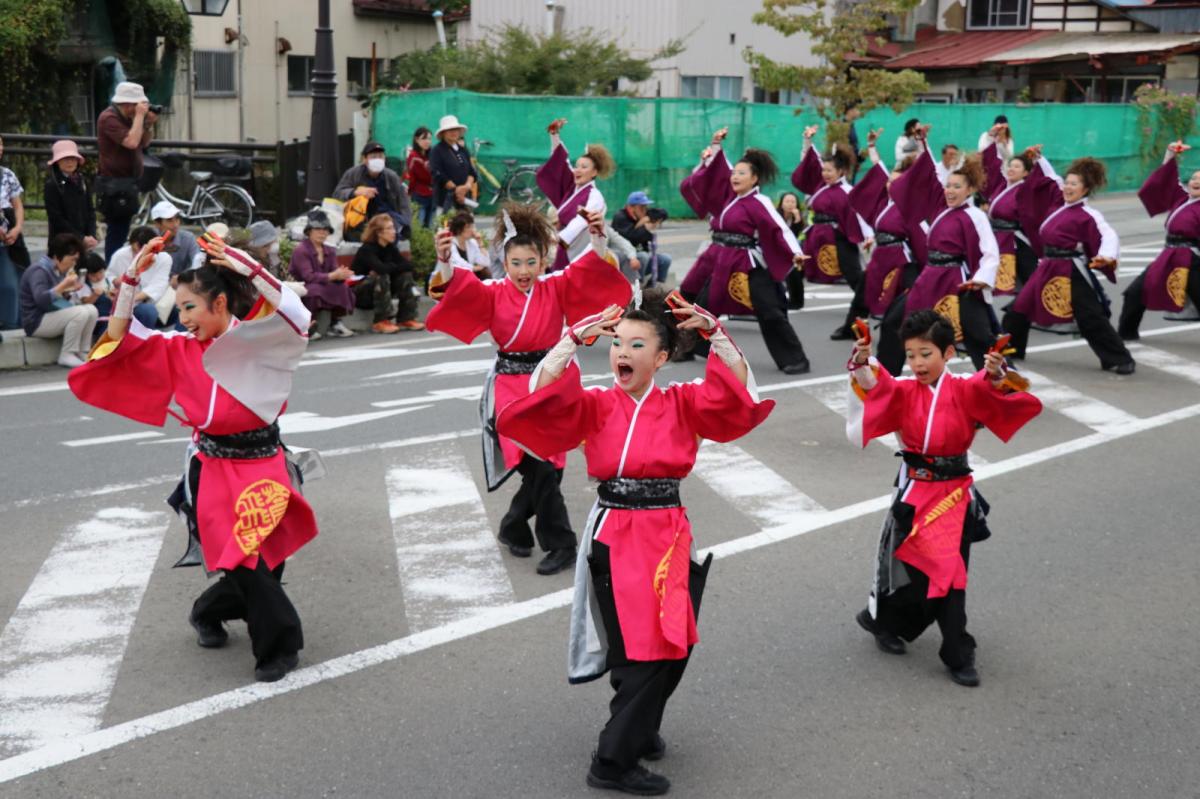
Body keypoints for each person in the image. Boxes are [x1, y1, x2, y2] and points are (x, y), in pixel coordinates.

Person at [496, 290, 773, 796]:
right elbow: (539, 400)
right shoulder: (597, 404)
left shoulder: (683, 401)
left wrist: (715, 334)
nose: (621, 352)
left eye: (637, 343)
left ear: (662, 357)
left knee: (674, 641)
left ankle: (638, 728)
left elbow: (738, 399)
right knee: (644, 647)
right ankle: (612, 758)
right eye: (617, 342)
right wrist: (571, 340)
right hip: (617, 533)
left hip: (668, 531)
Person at [68, 234, 316, 683]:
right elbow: (117, 344)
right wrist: (129, 281)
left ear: (219, 303)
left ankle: (207, 611)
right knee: (247, 562)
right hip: (214, 469)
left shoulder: (260, 339)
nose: (181, 319)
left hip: (264, 462)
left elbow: (297, 316)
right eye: (177, 308)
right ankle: (279, 646)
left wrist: (247, 266)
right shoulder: (177, 348)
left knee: (265, 565)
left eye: (189, 308)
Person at [424, 205, 631, 576]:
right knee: (537, 465)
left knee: (548, 469)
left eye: (531, 262)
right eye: (515, 263)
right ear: (504, 260)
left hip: (555, 380)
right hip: (511, 386)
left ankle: (513, 525)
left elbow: (589, 269)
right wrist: (444, 259)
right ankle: (562, 542)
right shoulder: (491, 292)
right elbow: (456, 284)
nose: (523, 271)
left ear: (543, 260)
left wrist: (598, 236)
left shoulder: (557, 285)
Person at [848, 310, 1041, 687]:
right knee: (935, 576)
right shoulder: (903, 391)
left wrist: (998, 372)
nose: (917, 363)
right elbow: (875, 385)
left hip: (955, 492)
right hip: (918, 490)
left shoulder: (965, 388)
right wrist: (860, 361)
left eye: (926, 354)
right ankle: (951, 647)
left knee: (947, 576)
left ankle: (917, 634)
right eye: (911, 354)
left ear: (948, 353)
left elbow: (992, 388)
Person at [677, 127, 811, 374]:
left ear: (754, 178)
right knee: (702, 304)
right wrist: (715, 145)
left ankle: (795, 359)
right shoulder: (730, 197)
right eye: (734, 173)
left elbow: (779, 229)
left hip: (747, 263)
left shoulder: (759, 202)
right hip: (720, 257)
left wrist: (794, 252)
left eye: (742, 173)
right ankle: (691, 347)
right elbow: (718, 169)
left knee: (769, 311)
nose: (734, 177)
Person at [1002, 157, 1134, 374]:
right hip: (1047, 267)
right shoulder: (1057, 205)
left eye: (1074, 184)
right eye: (1067, 182)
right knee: (1018, 308)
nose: (1067, 187)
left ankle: (1120, 358)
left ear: (1085, 189)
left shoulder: (1089, 215)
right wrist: (1039, 159)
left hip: (1071, 270)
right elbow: (1050, 179)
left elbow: (1108, 236)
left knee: (1090, 317)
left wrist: (1106, 255)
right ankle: (1011, 352)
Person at [889, 155, 1001, 373]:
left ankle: (1004, 383)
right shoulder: (942, 210)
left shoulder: (975, 215)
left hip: (957, 281)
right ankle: (886, 379)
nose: (949, 190)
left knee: (977, 335)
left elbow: (990, 252)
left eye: (957, 187)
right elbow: (932, 175)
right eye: (948, 186)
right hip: (930, 276)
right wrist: (923, 145)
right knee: (899, 322)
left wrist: (981, 278)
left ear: (970, 190)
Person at [850, 129, 941, 330]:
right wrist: (872, 147)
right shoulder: (884, 203)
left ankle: (922, 325)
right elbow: (878, 168)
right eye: (890, 181)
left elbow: (929, 170)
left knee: (910, 289)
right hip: (881, 253)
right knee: (866, 286)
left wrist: (921, 143)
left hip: (900, 256)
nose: (891, 184)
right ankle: (852, 324)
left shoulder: (909, 205)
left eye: (897, 182)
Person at [793, 124, 873, 340]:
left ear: (841, 172)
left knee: (856, 277)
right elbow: (807, 164)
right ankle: (791, 300)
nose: (825, 173)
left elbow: (859, 215)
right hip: (816, 236)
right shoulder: (820, 186)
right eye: (824, 170)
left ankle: (867, 306)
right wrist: (807, 142)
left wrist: (867, 235)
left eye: (829, 170)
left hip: (839, 237)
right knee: (795, 267)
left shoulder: (848, 191)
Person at [1119, 141, 1200, 340]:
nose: (1196, 181)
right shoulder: (1181, 198)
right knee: (1135, 292)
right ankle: (1126, 333)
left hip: (1193, 259)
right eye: (1195, 178)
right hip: (1169, 256)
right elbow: (1165, 182)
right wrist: (1170, 154)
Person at [536, 118, 614, 271]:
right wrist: (554, 134)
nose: (577, 170)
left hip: (579, 251)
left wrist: (559, 238)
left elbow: (582, 220)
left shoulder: (595, 196)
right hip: (564, 248)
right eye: (577, 166)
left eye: (584, 167)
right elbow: (559, 161)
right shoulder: (572, 187)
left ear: (594, 172)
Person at [96, 81, 157, 262]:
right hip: (114, 184)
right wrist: (139, 117)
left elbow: (143, 143)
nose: (140, 108)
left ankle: (117, 267)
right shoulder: (109, 118)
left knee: (122, 229)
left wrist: (147, 124)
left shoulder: (131, 118)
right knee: (116, 232)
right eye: (137, 105)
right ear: (126, 104)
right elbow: (131, 142)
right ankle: (111, 271)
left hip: (129, 182)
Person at [18, 233, 98, 368]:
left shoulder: (57, 271)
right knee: (81, 312)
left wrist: (68, 290)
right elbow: (41, 300)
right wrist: (63, 285)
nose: (74, 263)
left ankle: (82, 351)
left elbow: (57, 299)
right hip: (36, 322)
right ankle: (67, 354)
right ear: (56, 256)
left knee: (92, 310)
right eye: (72, 259)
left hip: (50, 316)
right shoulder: (38, 270)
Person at [980, 140, 1040, 298]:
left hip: (1016, 240)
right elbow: (991, 167)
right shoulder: (1001, 185)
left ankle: (1031, 305)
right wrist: (991, 139)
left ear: (1026, 173)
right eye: (1010, 165)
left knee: (1029, 276)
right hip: (997, 237)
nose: (1011, 169)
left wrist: (1038, 158)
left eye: (1017, 167)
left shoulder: (1025, 190)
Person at [351, 212, 422, 333]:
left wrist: (390, 266)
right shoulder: (367, 249)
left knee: (405, 275)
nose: (394, 231)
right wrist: (392, 267)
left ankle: (406, 318)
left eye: (393, 228)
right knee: (381, 276)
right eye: (389, 228)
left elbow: (409, 266)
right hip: (362, 294)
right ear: (378, 232)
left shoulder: (390, 248)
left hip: (384, 291)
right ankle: (380, 321)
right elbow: (381, 270)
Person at [289, 210, 355, 340]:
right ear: (309, 231)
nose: (322, 232)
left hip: (322, 283)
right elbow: (308, 276)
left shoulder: (329, 250)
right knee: (314, 290)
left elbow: (334, 271)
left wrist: (342, 274)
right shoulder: (301, 250)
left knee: (342, 287)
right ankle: (308, 325)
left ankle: (335, 323)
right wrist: (332, 276)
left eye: (325, 230)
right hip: (302, 286)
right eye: (317, 229)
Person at [333, 140, 413, 245]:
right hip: (361, 222)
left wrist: (406, 224)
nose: (378, 159)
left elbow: (404, 203)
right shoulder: (353, 174)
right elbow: (337, 194)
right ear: (365, 159)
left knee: (392, 233)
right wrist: (356, 192)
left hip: (387, 219)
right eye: (374, 156)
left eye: (380, 156)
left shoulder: (391, 176)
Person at [106, 226, 172, 331]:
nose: (138, 255)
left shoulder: (164, 258)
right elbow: (109, 276)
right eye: (134, 251)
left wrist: (131, 298)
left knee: (149, 311)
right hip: (119, 302)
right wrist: (113, 285)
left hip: (144, 302)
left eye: (142, 252)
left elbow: (158, 286)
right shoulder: (121, 254)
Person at [44, 139, 98, 251]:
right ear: (57, 162)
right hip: (62, 242)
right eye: (65, 159)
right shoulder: (52, 185)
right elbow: (56, 218)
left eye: (73, 158)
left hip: (85, 241)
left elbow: (90, 210)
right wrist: (80, 237)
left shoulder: (82, 180)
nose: (70, 162)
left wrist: (91, 235)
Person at [612, 191, 671, 287]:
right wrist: (645, 227)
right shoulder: (621, 217)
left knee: (665, 259)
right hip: (626, 261)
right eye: (641, 207)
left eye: (646, 207)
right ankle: (639, 286)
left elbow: (663, 213)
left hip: (641, 260)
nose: (645, 210)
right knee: (643, 256)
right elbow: (632, 237)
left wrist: (646, 220)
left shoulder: (643, 214)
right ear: (631, 207)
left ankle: (653, 289)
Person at [429, 114, 478, 213]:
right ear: (443, 133)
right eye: (450, 130)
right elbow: (437, 173)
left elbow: (472, 173)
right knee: (444, 226)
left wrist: (466, 187)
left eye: (456, 129)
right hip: (444, 200)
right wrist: (457, 190)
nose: (454, 132)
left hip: (464, 199)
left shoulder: (463, 150)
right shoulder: (437, 150)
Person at [0, 137, 24, 331]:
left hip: (8, 236)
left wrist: (17, 228)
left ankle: (11, 323)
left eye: (0, 145)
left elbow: (17, 205)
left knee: (11, 282)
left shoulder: (7, 174)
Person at [150, 201, 204, 278]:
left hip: (183, 285)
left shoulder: (188, 238)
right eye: (169, 220)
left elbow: (198, 264)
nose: (175, 224)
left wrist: (181, 278)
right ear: (157, 223)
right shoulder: (149, 239)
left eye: (177, 219)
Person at [776, 191, 807, 309]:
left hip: (792, 250)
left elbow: (796, 234)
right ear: (781, 204)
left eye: (793, 202)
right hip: (778, 249)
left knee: (796, 275)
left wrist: (797, 218)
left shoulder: (796, 215)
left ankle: (797, 301)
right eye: (787, 201)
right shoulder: (776, 215)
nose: (790, 204)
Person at [447, 211, 492, 280]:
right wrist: (474, 268)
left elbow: (486, 262)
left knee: (486, 272)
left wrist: (480, 242)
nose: (472, 230)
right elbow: (458, 264)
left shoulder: (472, 243)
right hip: (450, 278)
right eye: (468, 227)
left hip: (465, 278)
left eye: (472, 226)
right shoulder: (450, 243)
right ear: (459, 229)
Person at [406, 126, 435, 228]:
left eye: (429, 139)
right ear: (416, 139)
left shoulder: (432, 154)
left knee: (431, 226)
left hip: (433, 195)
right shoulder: (414, 157)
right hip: (419, 195)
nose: (427, 141)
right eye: (424, 138)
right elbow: (415, 177)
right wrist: (410, 193)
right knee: (419, 225)